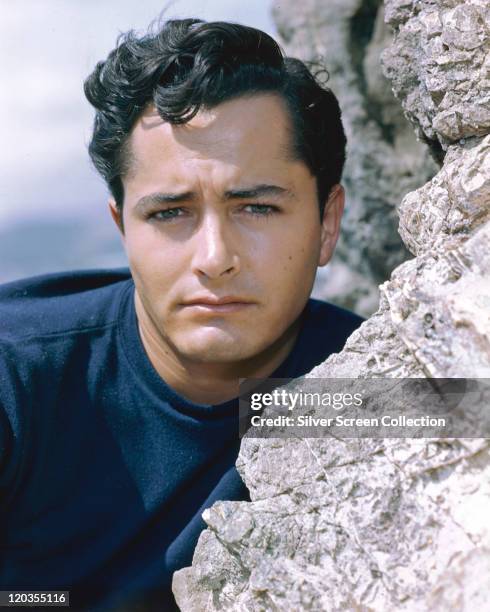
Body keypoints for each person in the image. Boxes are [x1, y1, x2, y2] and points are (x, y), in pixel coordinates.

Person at [0, 18, 363, 611]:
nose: (215, 259)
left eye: (257, 207)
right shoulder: (17, 379)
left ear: (327, 223)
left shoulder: (363, 386)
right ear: (123, 229)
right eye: (171, 213)